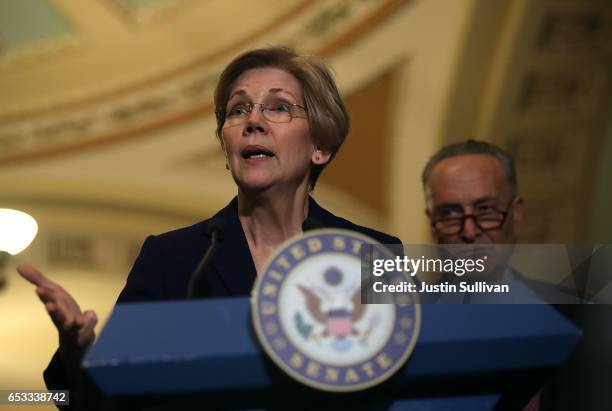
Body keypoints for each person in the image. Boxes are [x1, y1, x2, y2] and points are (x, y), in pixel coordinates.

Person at [18, 47, 401, 409]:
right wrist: (77, 351)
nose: (253, 121)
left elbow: (406, 388)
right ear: (226, 145)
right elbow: (99, 404)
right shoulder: (174, 260)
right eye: (238, 110)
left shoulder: (373, 255)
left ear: (320, 145)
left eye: (279, 107)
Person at [421, 139, 612, 410]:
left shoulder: (587, 323)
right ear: (432, 226)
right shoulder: (399, 328)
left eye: (486, 210)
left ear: (517, 216)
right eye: (449, 214)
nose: (469, 231)